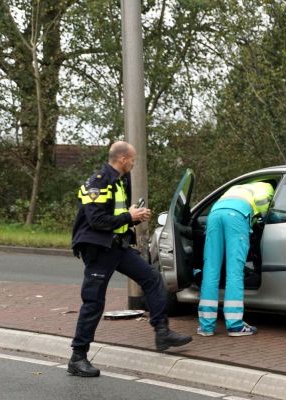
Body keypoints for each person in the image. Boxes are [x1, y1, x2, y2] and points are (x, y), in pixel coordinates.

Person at [68, 141, 192, 378]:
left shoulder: (118, 182)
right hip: (98, 249)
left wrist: (134, 217)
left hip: (116, 246)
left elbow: (115, 217)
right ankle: (77, 357)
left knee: (153, 278)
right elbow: (96, 221)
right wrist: (129, 215)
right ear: (123, 159)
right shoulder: (98, 182)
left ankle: (162, 332)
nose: (134, 164)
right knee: (93, 302)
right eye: (133, 160)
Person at [197, 182, 274, 337]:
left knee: (211, 269)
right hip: (236, 216)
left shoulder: (238, 187)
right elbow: (264, 209)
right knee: (234, 271)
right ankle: (235, 326)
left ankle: (206, 327)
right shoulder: (267, 187)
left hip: (214, 214)